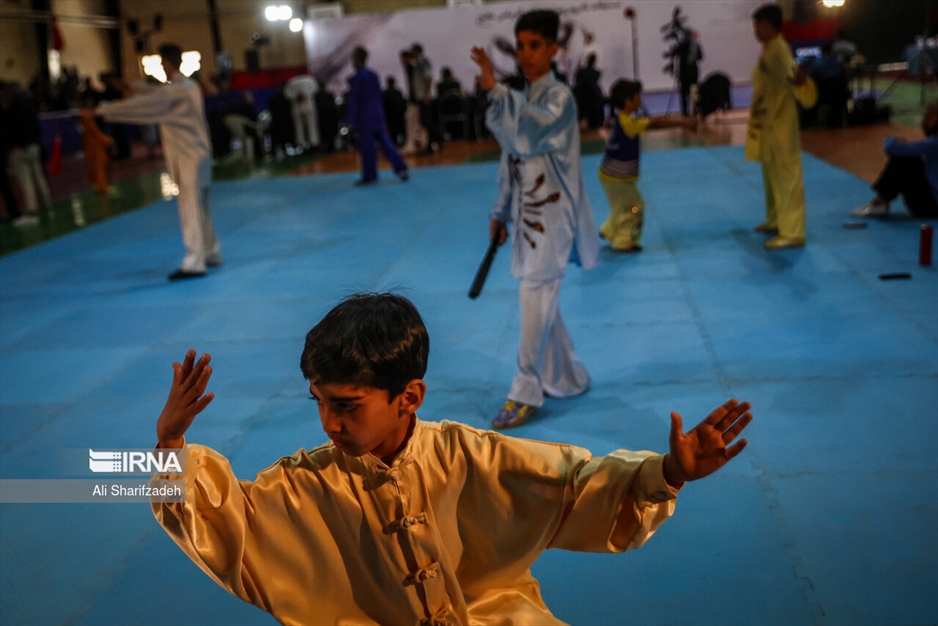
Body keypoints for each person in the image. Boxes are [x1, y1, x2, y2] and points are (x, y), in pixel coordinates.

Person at [152, 292, 753, 625]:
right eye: (320, 403)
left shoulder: (470, 457)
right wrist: (167, 445)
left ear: (409, 396)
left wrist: (668, 472)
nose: (329, 423)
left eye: (346, 405)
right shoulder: (305, 486)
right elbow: (211, 514)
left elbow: (579, 485)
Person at [471, 10, 599, 429]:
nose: (526, 54)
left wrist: (496, 91)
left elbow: (527, 136)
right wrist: (500, 210)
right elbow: (510, 157)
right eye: (521, 46)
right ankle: (567, 376)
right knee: (541, 299)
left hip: (553, 217)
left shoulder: (560, 99)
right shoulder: (523, 100)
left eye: (535, 45)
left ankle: (525, 390)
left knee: (534, 293)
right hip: (526, 214)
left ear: (553, 50)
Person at [97, 43, 222, 281]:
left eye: (162, 63)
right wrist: (133, 87)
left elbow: (145, 104)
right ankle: (210, 251)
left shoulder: (176, 91)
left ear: (168, 63)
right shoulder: (189, 86)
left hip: (188, 158)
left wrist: (102, 111)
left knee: (190, 210)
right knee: (202, 209)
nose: (161, 68)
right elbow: (156, 92)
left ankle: (194, 262)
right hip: (199, 155)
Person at [599, 80, 697, 252]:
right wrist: (682, 122)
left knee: (622, 205)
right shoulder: (628, 123)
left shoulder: (620, 119)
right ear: (628, 101)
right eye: (638, 97)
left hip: (610, 176)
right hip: (617, 179)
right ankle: (623, 241)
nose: (641, 100)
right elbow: (654, 123)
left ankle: (609, 231)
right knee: (635, 207)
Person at [746, 4, 807, 250]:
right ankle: (775, 220)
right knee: (771, 175)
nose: (755, 31)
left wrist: (799, 80)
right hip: (769, 122)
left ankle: (793, 232)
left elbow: (795, 78)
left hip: (782, 123)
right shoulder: (770, 50)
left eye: (757, 26)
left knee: (786, 177)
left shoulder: (780, 50)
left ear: (766, 25)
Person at [851, 102, 938, 219]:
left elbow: (891, 148)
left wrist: (891, 139)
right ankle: (881, 201)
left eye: (928, 117)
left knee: (904, 160)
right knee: (911, 158)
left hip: (932, 207)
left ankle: (881, 202)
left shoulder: (934, 143)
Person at [345, 47, 409, 186]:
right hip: (378, 115)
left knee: (368, 148)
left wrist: (350, 121)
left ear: (357, 59)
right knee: (387, 144)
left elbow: (354, 100)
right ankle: (401, 168)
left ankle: (370, 176)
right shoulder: (373, 74)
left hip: (364, 118)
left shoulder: (357, 78)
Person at [0, 80, 52, 226]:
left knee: (26, 181)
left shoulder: (12, 109)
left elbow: (12, 130)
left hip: (20, 149)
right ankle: (47, 206)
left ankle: (31, 212)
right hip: (33, 146)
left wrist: (13, 146)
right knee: (38, 177)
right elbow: (37, 126)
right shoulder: (28, 105)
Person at [79, 94, 113, 194]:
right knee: (99, 166)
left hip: (94, 146)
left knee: (100, 164)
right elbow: (95, 133)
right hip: (95, 146)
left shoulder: (85, 116)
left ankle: (92, 179)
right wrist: (108, 140)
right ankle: (102, 187)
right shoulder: (87, 118)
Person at [284, 73, 320, 152]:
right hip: (307, 106)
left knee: (299, 127)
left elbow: (287, 93)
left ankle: (302, 144)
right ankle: (313, 144)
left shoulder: (292, 81)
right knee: (311, 126)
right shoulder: (309, 80)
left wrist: (296, 96)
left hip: (298, 106)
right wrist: (305, 95)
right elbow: (315, 89)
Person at [675, 27, 703, 117]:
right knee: (694, 93)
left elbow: (675, 54)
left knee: (684, 94)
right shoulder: (696, 45)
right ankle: (695, 110)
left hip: (683, 74)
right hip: (693, 73)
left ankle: (685, 112)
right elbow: (700, 57)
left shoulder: (681, 46)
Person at [383, 76, 408, 147]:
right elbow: (403, 104)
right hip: (397, 118)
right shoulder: (398, 93)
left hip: (389, 118)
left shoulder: (385, 94)